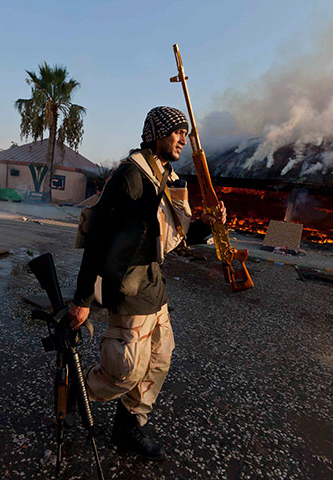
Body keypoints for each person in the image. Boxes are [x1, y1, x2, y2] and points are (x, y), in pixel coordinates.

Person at [67, 106, 225, 460]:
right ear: (157, 134)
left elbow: (180, 237)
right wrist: (81, 299)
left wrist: (208, 224)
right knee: (124, 370)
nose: (183, 138)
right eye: (176, 132)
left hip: (154, 287)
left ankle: (128, 428)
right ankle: (75, 386)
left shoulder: (164, 177)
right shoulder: (130, 175)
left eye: (185, 132)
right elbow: (98, 238)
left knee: (157, 362)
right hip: (127, 286)